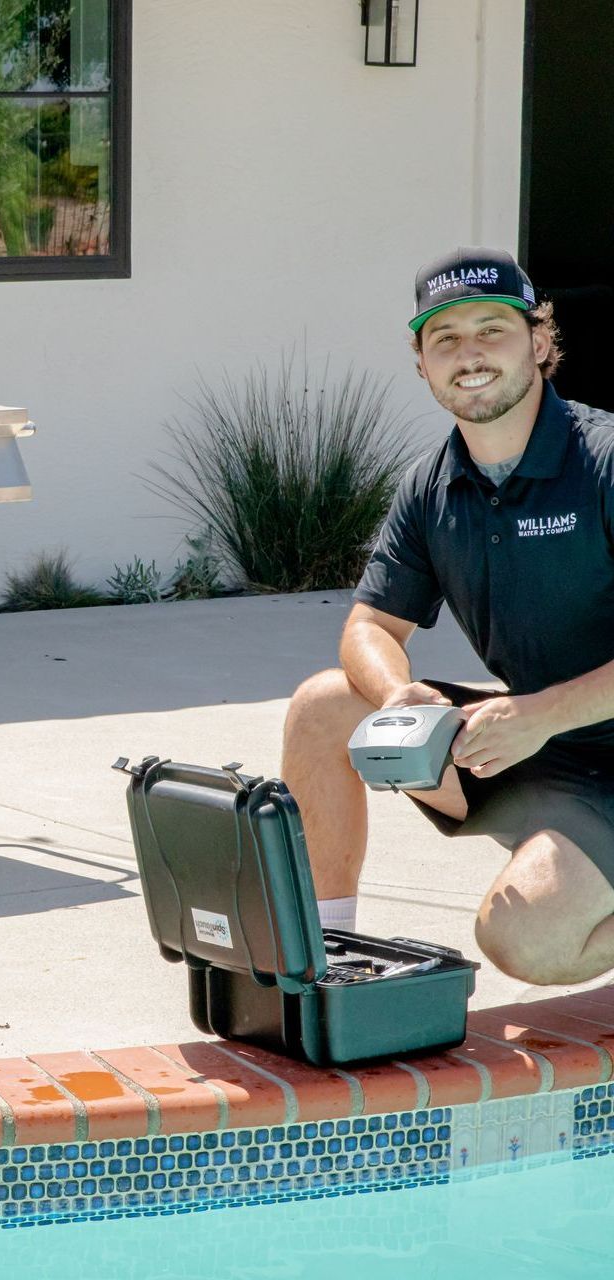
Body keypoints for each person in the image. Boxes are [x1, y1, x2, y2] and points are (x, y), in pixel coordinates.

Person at [282, 246, 614, 988]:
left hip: (586, 749)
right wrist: (399, 696)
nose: (469, 354)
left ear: (538, 339)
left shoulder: (605, 462)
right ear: (422, 362)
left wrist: (540, 714)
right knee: (326, 704)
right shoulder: (432, 487)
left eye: (491, 329)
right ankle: (321, 959)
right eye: (445, 339)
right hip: (537, 753)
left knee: (526, 939)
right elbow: (370, 628)